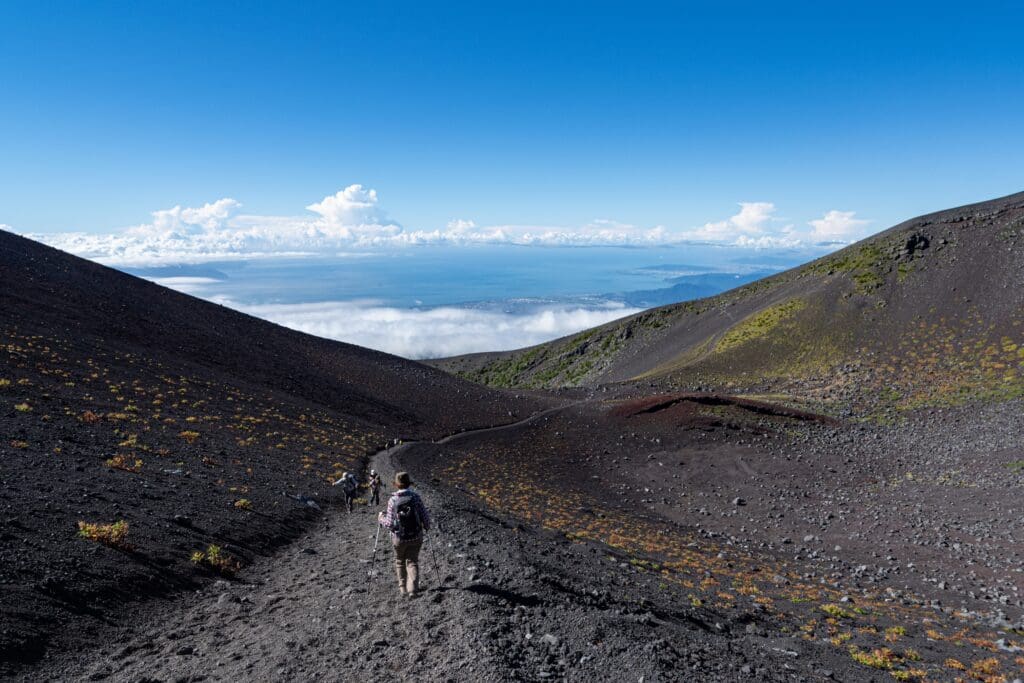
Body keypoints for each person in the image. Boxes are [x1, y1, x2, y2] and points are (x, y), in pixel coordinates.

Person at [378, 471, 431, 596]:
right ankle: (413, 590)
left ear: (396, 484)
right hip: (416, 536)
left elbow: (390, 524)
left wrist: (380, 518)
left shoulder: (393, 500)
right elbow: (425, 517)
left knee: (400, 561)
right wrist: (427, 527)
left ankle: (403, 589)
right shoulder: (416, 497)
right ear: (409, 483)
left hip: (398, 538)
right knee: (412, 561)